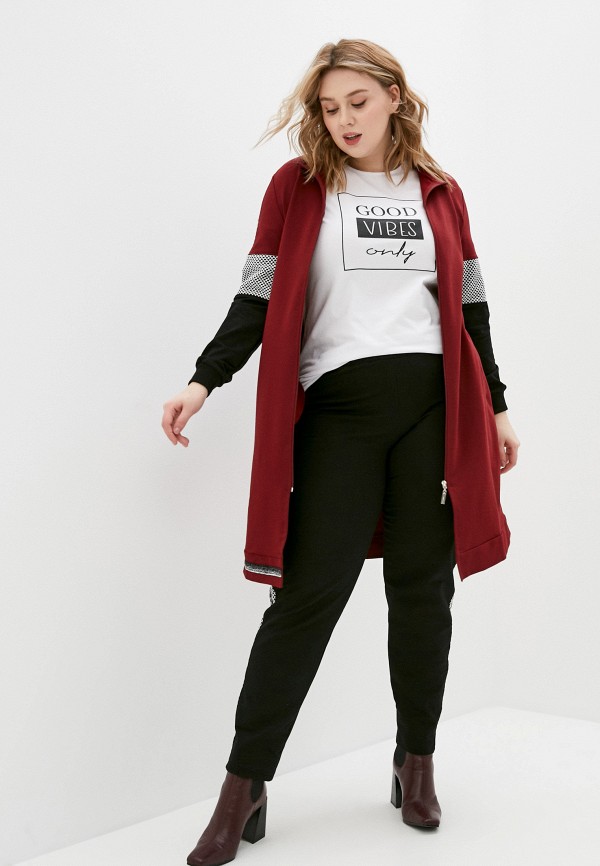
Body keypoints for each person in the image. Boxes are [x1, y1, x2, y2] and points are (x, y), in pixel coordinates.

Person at [161, 38, 520, 866]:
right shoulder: (297, 188)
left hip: (434, 408)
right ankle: (244, 787)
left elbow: (471, 306)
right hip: (340, 411)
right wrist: (203, 379)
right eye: (329, 108)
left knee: (423, 592)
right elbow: (256, 295)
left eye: (357, 102)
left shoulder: (439, 191)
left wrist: (497, 405)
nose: (344, 120)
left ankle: (415, 761)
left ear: (395, 96)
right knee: (305, 597)